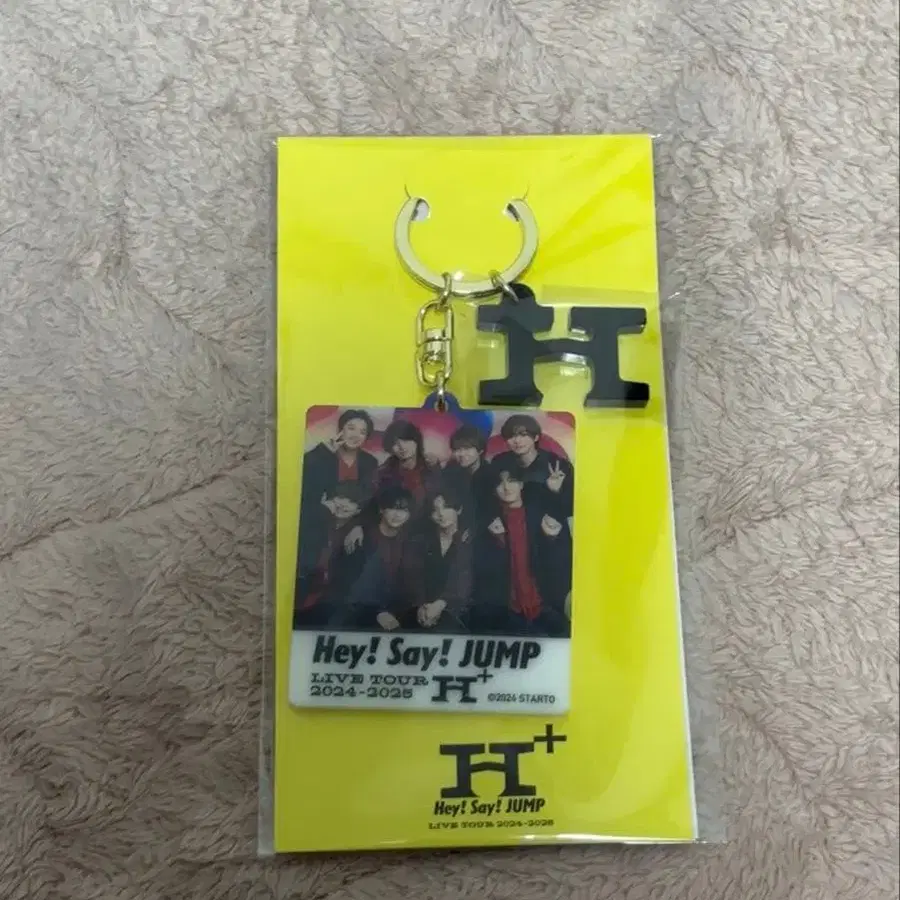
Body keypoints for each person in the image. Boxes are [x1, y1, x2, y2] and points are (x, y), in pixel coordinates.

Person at [472, 468, 571, 638]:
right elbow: (485, 574)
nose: (506, 487)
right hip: (509, 613)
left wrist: (551, 538)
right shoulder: (488, 525)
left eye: (511, 481)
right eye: (500, 483)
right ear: (494, 491)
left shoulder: (539, 514)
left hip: (545, 608)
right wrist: (499, 540)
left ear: (521, 484)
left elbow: (562, 560)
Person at [299, 409, 378, 565]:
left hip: (351, 521)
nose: (356, 435)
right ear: (341, 430)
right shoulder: (323, 454)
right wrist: (324, 451)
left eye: (362, 432)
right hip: (319, 520)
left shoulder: (370, 462)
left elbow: (369, 498)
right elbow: (302, 480)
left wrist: (358, 524)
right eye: (351, 428)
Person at [339, 486, 418, 631]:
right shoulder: (362, 538)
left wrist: (392, 612)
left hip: (394, 611)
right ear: (382, 509)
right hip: (361, 611)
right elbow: (353, 587)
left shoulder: (408, 541)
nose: (397, 515)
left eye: (403, 510)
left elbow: (408, 585)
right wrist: (377, 612)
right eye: (392, 508)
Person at [293, 481, 366, 629]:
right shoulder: (314, 522)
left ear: (358, 510)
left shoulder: (356, 536)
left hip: (329, 602)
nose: (343, 504)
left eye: (351, 502)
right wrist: (322, 509)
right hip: (299, 591)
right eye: (340, 497)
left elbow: (348, 581)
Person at [411, 487, 474, 632]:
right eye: (435, 510)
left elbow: (466, 581)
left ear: (458, 509)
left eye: (446, 507)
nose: (440, 514)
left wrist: (441, 604)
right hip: (423, 610)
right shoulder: (420, 541)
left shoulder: (469, 541)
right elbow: (412, 576)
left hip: (458, 611)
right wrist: (421, 605)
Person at [490, 414, 574, 523]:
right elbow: (490, 499)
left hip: (547, 526)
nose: (517, 441)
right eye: (511, 436)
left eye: (523, 435)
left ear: (536, 437)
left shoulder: (558, 465)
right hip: (512, 523)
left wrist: (556, 491)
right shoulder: (500, 462)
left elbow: (571, 509)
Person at [374, 419, 440, 514]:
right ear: (390, 449)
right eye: (395, 443)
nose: (402, 447)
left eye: (405, 440)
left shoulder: (432, 468)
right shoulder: (383, 474)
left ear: (416, 440)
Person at [443, 424, 496, 531]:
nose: (462, 454)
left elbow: (492, 511)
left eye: (467, 449)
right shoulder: (450, 472)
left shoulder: (491, 474)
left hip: (486, 527)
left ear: (480, 450)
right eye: (457, 449)